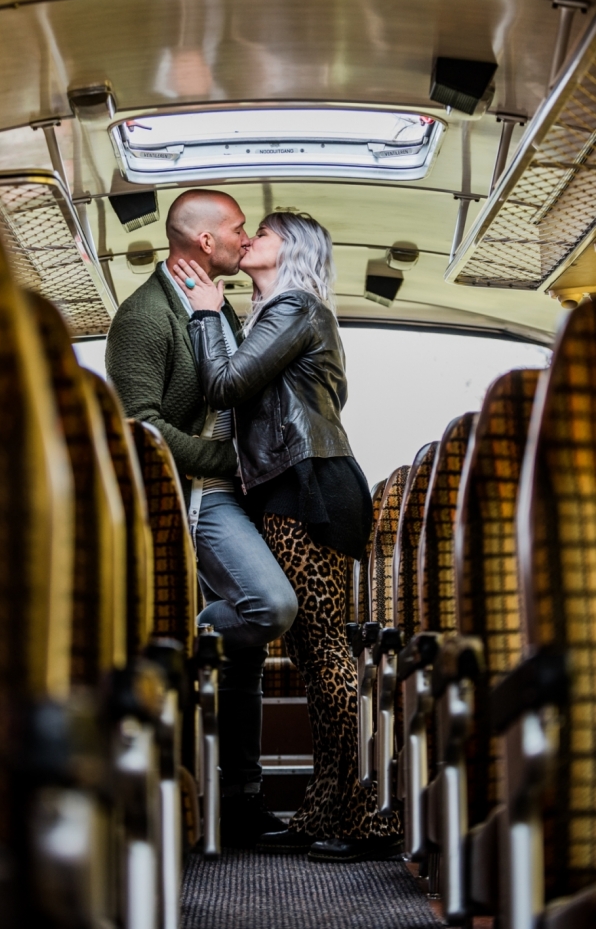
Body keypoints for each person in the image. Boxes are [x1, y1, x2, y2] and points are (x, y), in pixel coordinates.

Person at [173, 210, 403, 862]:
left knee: (325, 652)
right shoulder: (282, 313)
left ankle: (365, 813)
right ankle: (326, 802)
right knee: (310, 653)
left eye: (264, 235)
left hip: (312, 490)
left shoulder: (296, 306)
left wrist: (205, 312)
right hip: (297, 487)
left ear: (291, 251)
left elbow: (224, 383)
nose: (251, 241)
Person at [105, 189, 298, 847]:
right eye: (239, 230)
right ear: (205, 242)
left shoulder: (217, 305)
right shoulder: (143, 318)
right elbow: (143, 429)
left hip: (234, 494)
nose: (247, 239)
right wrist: (230, 457)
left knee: (243, 649)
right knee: (269, 607)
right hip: (195, 497)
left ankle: (240, 798)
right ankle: (180, 626)